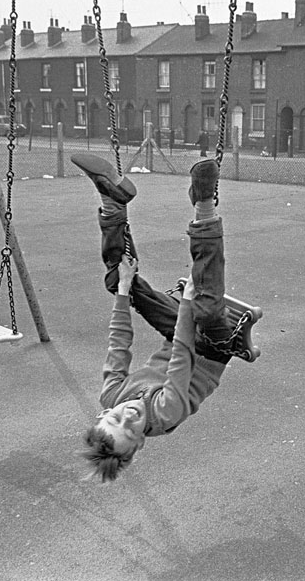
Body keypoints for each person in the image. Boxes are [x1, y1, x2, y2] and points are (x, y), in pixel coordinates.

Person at [71, 152, 236, 482]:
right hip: (211, 350)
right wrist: (187, 304)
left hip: (178, 336)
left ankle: (113, 205)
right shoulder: (165, 413)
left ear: (105, 412)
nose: (127, 417)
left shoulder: (112, 396)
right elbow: (181, 359)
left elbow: (118, 347)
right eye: (130, 431)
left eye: (115, 419)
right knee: (205, 308)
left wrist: (123, 291)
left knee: (117, 280)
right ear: (140, 444)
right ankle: (204, 208)